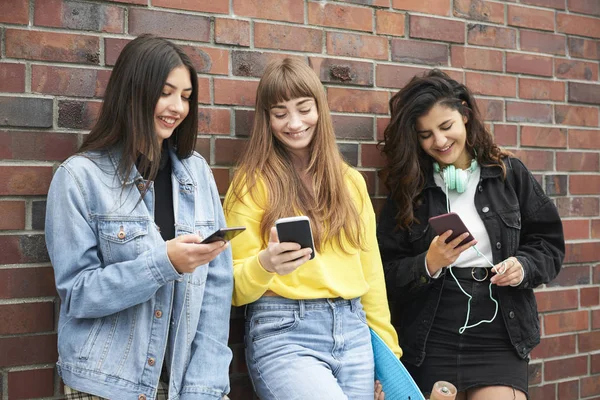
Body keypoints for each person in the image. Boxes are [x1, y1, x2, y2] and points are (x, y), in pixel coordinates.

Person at [44, 34, 233, 400]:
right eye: (165, 92)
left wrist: (205, 388)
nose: (177, 107)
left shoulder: (198, 174)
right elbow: (79, 294)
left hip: (188, 386)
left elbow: (216, 291)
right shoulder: (79, 178)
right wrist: (164, 263)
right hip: (105, 385)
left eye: (186, 96)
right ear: (134, 90)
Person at [377, 69, 565, 400]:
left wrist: (522, 267)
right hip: (431, 330)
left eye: (446, 126)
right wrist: (429, 263)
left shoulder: (509, 174)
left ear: (464, 114)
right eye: (425, 135)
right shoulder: (409, 189)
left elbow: (549, 244)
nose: (439, 141)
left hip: (500, 329)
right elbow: (383, 272)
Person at [223, 57, 401, 400]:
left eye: (304, 109)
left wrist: (388, 357)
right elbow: (230, 287)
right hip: (284, 330)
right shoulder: (250, 184)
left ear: (320, 108)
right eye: (280, 113)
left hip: (354, 330)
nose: (294, 123)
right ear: (267, 119)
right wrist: (265, 265)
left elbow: (372, 276)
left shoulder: (350, 182)